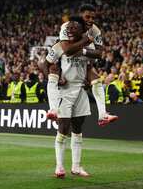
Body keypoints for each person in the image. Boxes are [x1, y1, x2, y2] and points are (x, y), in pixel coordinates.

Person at [46, 16, 102, 178]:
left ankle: (76, 167)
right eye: (68, 28)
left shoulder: (89, 46)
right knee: (63, 128)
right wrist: (55, 75)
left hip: (80, 92)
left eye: (73, 28)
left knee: (78, 129)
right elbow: (46, 63)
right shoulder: (60, 46)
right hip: (65, 92)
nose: (69, 30)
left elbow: (89, 66)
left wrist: (87, 78)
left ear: (81, 30)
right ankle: (59, 167)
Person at [46, 4, 118, 126]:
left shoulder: (95, 30)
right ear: (80, 16)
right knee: (53, 70)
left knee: (96, 78)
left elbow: (99, 53)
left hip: (80, 65)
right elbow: (67, 51)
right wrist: (85, 41)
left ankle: (103, 115)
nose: (91, 20)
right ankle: (53, 109)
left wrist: (84, 51)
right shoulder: (67, 26)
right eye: (87, 17)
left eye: (93, 17)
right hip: (62, 62)